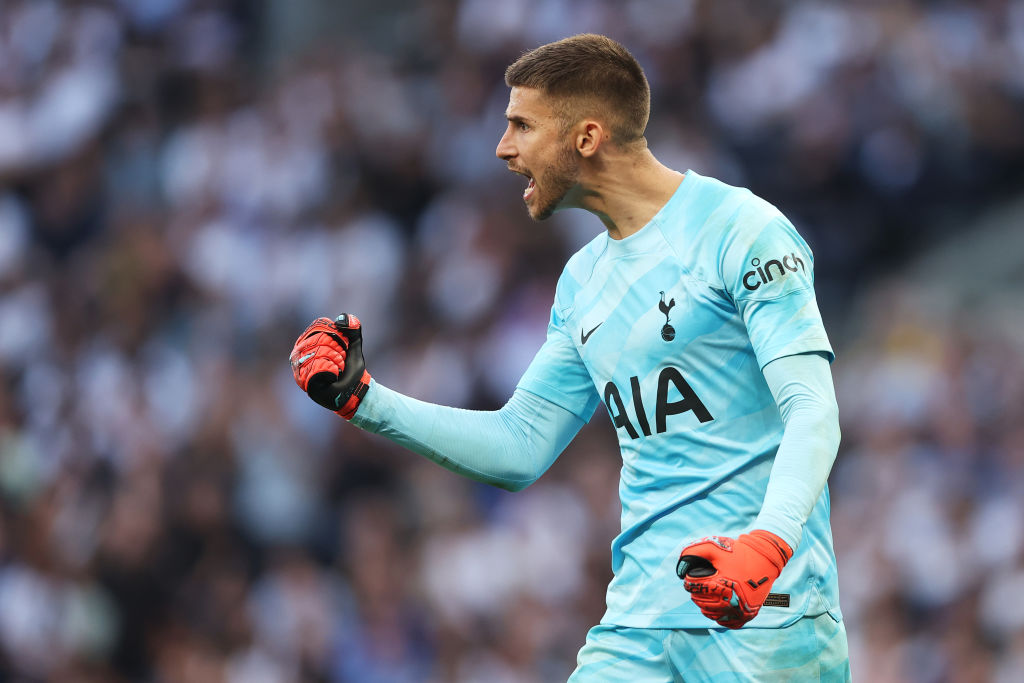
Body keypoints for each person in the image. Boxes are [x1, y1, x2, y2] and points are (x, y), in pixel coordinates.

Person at [290, 34, 849, 681]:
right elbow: (519, 444)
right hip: (641, 622)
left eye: (521, 126)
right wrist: (365, 399)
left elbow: (813, 408)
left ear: (586, 137)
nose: (503, 149)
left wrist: (769, 542)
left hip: (764, 609)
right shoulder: (583, 281)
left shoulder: (741, 230)